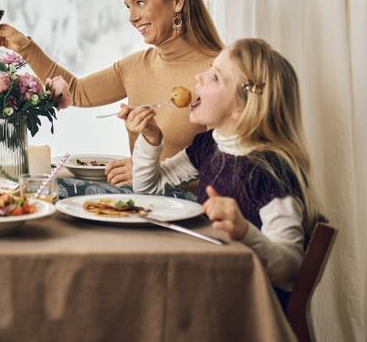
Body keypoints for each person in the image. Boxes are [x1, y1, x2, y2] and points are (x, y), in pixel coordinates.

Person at [0, 0, 223, 190]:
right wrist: (25, 48)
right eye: (128, 7)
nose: (132, 17)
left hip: (189, 212)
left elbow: (225, 167)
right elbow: (77, 92)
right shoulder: (134, 66)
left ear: (177, 0)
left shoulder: (218, 74)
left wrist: (149, 170)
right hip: (141, 206)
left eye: (140, 2)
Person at [128, 38, 320, 300]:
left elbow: (290, 269)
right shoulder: (210, 145)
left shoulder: (271, 170)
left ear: (242, 108)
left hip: (251, 308)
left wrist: (245, 232)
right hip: (212, 284)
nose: (199, 77)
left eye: (215, 77)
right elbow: (148, 187)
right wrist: (151, 138)